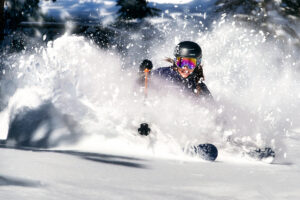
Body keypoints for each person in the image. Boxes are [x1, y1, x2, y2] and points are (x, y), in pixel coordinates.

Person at [139, 41, 213, 100]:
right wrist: (142, 73)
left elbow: (213, 110)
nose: (185, 68)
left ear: (197, 64)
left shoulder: (199, 87)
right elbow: (140, 84)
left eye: (191, 63)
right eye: (181, 62)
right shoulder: (163, 73)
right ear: (175, 62)